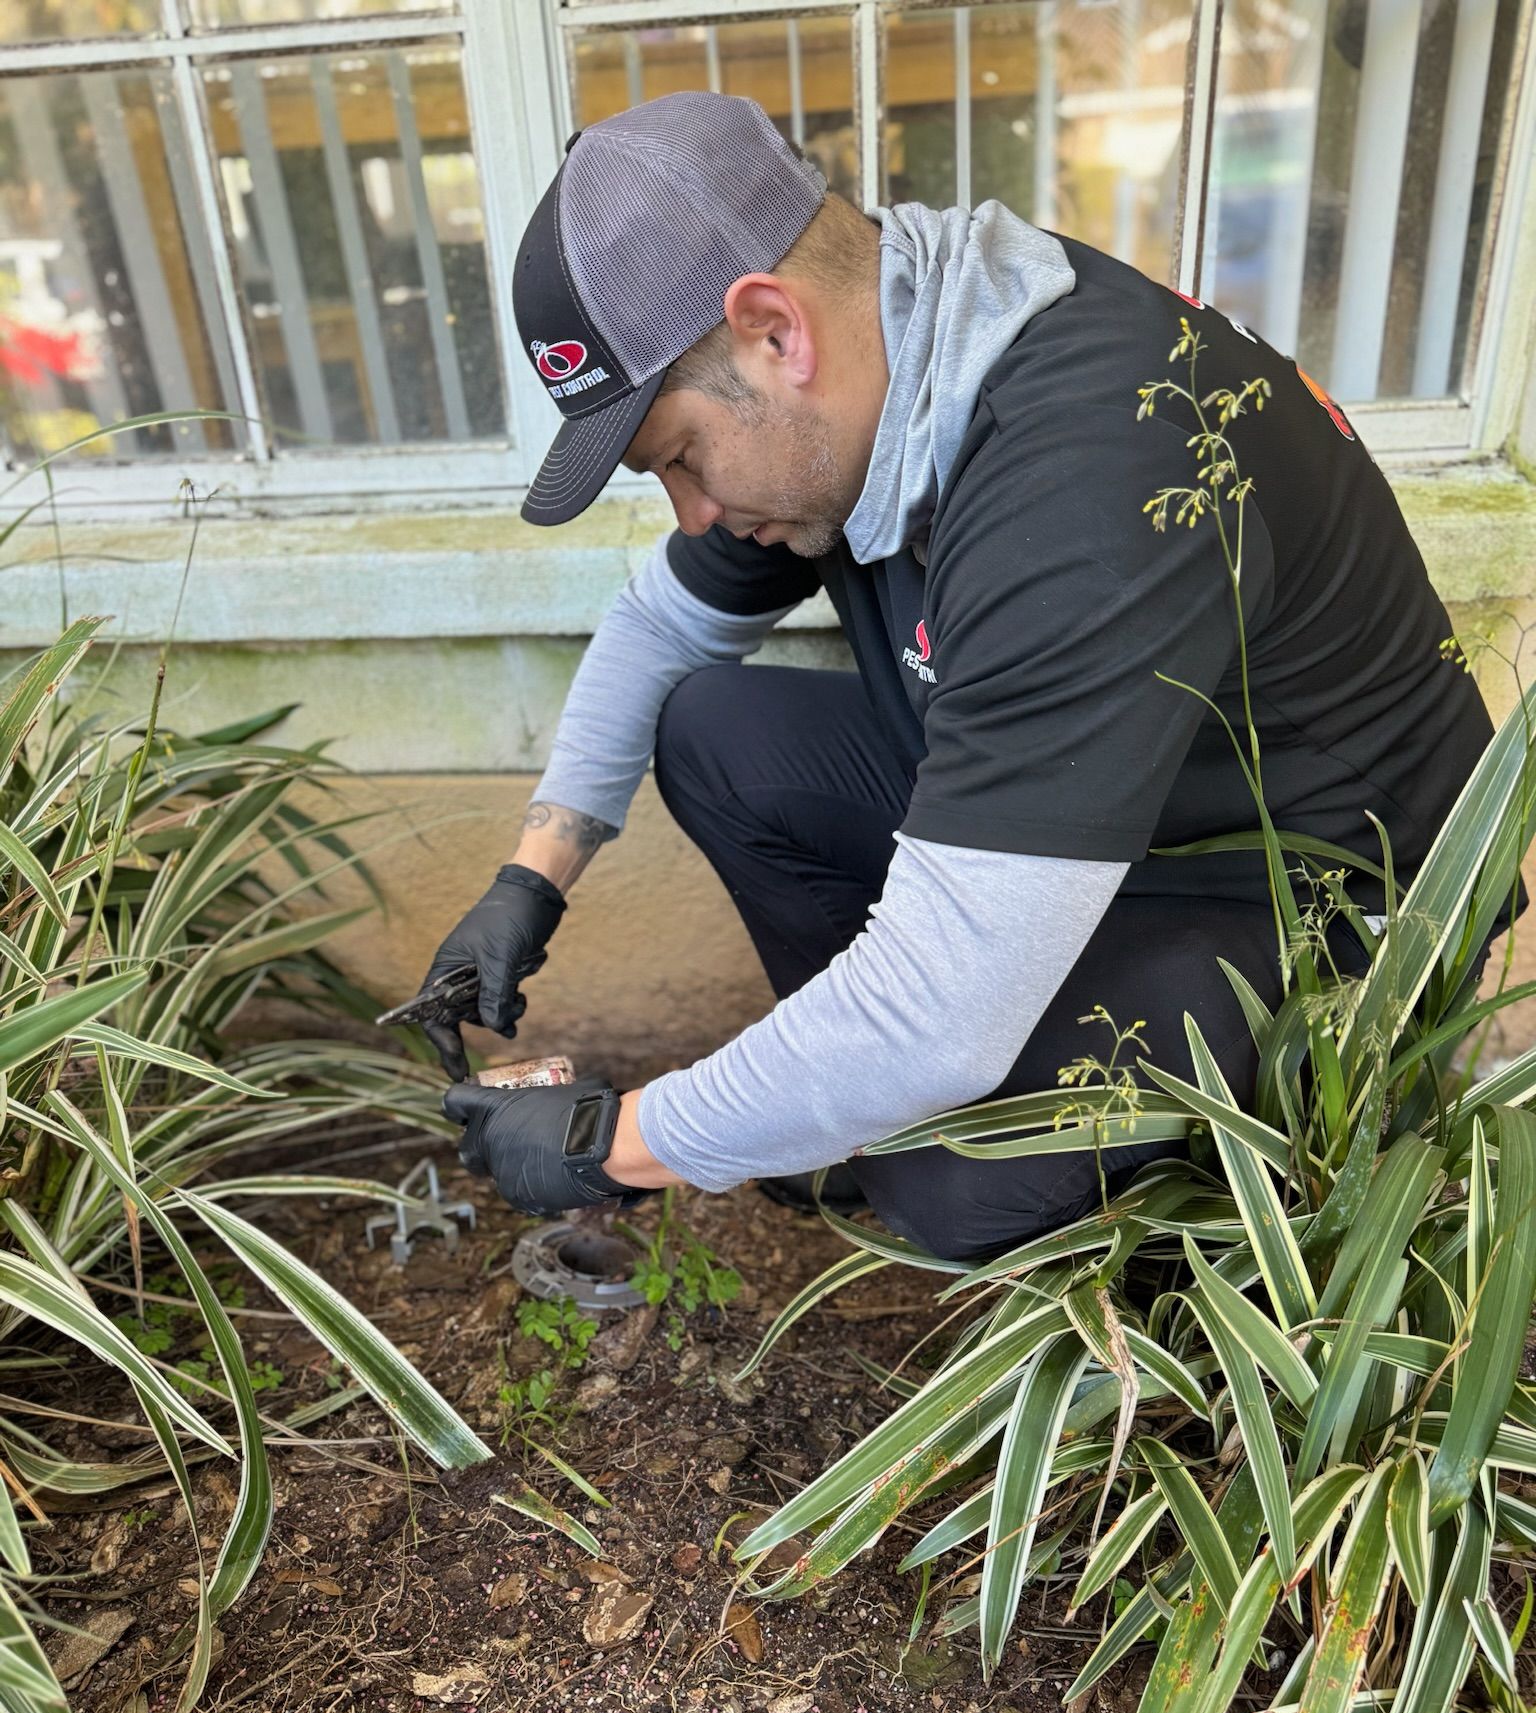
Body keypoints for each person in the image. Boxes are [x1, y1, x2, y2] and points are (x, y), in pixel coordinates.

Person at [427, 91, 1495, 1263]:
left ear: (775, 331)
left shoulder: (1084, 474)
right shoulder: (874, 357)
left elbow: (942, 1016)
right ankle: (856, 1097)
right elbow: (658, 624)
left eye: (680, 455)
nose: (693, 512)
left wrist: (613, 1143)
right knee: (719, 732)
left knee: (953, 1177)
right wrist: (530, 880)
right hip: (1108, 824)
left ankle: (1187, 1257)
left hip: (1298, 893)